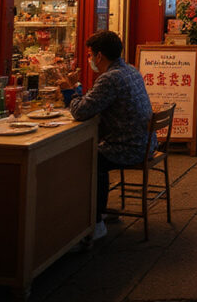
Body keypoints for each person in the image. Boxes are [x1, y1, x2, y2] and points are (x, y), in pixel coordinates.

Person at [66, 31, 153, 242]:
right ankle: (100, 210)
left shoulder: (110, 78)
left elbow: (81, 111)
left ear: (99, 56)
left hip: (129, 147)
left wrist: (71, 89)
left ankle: (95, 222)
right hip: (144, 142)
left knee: (89, 160)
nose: (89, 59)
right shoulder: (130, 70)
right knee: (96, 158)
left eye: (90, 54)